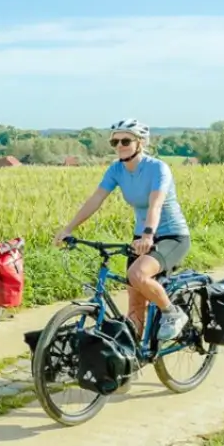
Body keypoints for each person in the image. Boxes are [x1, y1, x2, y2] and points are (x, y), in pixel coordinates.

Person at [54, 119, 191, 342]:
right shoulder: (116, 169)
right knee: (135, 298)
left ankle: (172, 313)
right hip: (141, 237)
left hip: (171, 235)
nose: (119, 146)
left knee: (137, 275)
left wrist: (148, 235)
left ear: (140, 142)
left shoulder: (158, 169)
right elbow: (95, 199)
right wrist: (68, 229)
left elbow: (155, 204)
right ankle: (134, 353)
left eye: (125, 140)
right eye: (114, 141)